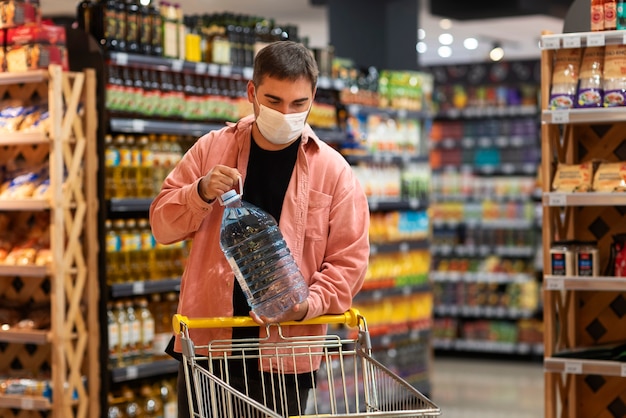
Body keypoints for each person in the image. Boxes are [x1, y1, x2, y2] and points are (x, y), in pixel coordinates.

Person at [149, 40, 370, 418]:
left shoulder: (334, 172)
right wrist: (199, 192)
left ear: (313, 97)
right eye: (274, 101)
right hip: (209, 347)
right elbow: (162, 227)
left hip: (286, 354)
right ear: (252, 92)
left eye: (299, 104)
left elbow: (349, 263)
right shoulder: (210, 150)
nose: (286, 113)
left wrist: (307, 305)